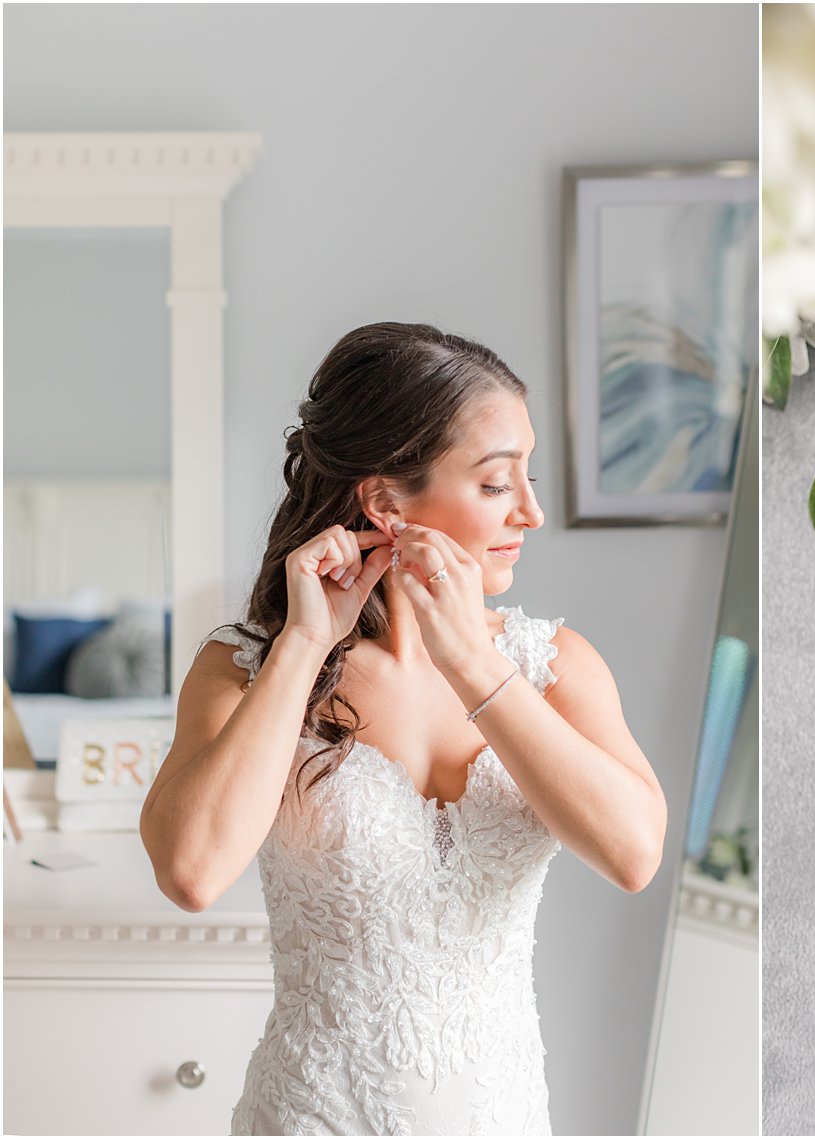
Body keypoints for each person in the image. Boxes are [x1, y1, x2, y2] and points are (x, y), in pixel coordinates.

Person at [139, 322, 666, 1135]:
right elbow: (191, 872)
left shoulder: (554, 664)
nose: (531, 509)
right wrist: (304, 643)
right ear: (387, 504)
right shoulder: (242, 668)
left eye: (529, 475)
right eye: (496, 484)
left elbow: (634, 853)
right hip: (315, 1116)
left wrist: (478, 668)